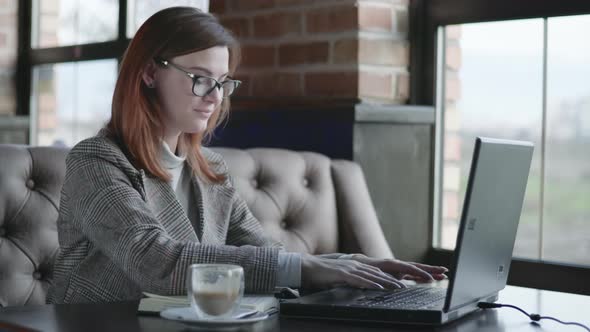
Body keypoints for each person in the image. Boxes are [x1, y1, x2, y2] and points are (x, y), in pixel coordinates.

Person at [46, 7, 447, 304]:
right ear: (149, 73)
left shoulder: (212, 171)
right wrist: (313, 268)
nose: (215, 97)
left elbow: (268, 257)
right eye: (200, 79)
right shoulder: (96, 162)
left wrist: (353, 264)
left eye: (222, 83)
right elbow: (157, 262)